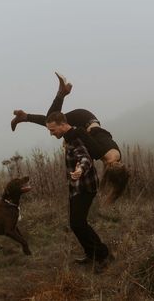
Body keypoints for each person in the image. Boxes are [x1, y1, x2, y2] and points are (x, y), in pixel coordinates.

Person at [11, 73, 129, 203]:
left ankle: (25, 116)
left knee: (50, 121)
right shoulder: (102, 153)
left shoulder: (117, 158)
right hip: (83, 119)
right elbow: (80, 133)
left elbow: (89, 142)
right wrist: (67, 138)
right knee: (52, 121)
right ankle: (61, 93)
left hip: (88, 120)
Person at [46, 111, 109, 265]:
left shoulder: (74, 137)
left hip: (85, 186)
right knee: (78, 224)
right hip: (77, 186)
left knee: (77, 224)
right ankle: (94, 254)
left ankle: (101, 256)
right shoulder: (70, 136)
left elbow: (85, 157)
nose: (51, 134)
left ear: (62, 124)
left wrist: (80, 169)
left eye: (52, 130)